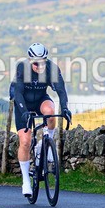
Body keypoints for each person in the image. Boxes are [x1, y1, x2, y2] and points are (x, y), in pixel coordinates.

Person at [10, 43, 72, 197]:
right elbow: (17, 93)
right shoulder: (22, 68)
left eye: (42, 62)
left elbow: (61, 90)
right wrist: (24, 112)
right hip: (23, 103)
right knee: (25, 141)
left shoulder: (52, 68)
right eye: (36, 64)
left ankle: (46, 143)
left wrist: (65, 108)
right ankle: (26, 180)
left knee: (50, 112)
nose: (40, 66)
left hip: (40, 99)